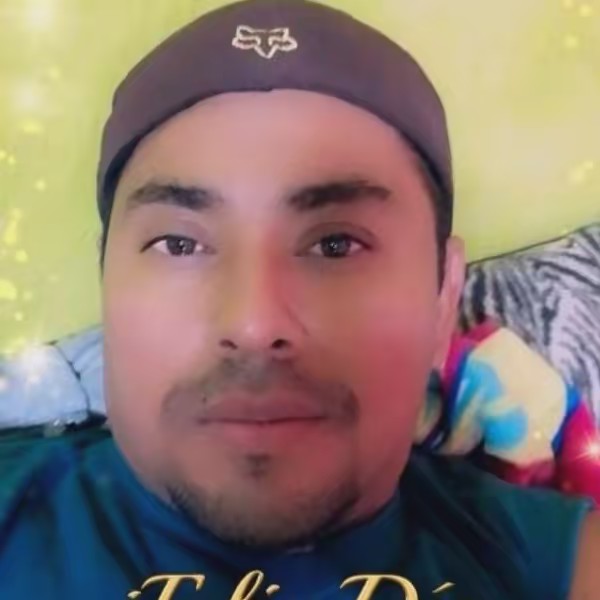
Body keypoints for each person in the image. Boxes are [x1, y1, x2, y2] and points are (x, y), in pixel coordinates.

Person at [1, 1, 598, 598]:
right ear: (106, 280)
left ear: (444, 295)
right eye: (178, 244)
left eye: (336, 245)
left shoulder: (554, 563)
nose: (254, 323)